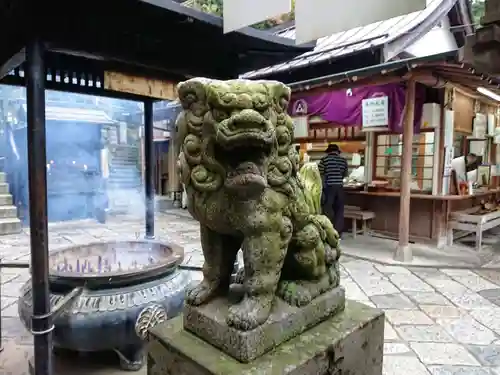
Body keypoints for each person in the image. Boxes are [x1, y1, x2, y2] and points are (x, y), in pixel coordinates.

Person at [318, 144, 348, 237]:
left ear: (328, 152)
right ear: (337, 152)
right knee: (339, 210)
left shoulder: (324, 160)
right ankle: (338, 232)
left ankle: (329, 231)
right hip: (339, 187)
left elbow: (320, 175)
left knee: (328, 210)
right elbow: (345, 174)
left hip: (328, 188)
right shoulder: (343, 161)